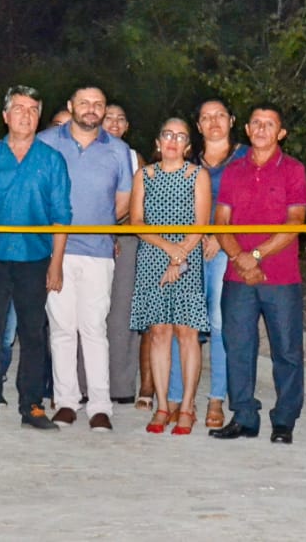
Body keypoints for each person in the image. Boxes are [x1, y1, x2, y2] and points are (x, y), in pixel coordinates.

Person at [0, 85, 71, 431]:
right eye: (19, 109)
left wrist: (56, 264)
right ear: (6, 116)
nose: (26, 115)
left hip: (35, 258)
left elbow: (61, 215)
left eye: (33, 109)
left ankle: (33, 405)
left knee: (34, 332)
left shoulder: (51, 160)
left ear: (40, 117)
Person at [209, 104, 306, 445]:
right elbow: (220, 222)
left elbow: (296, 223)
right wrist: (239, 257)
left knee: (287, 351)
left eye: (270, 124)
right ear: (248, 130)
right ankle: (244, 416)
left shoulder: (294, 170)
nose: (262, 129)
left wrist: (256, 256)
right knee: (237, 346)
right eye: (256, 123)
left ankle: (284, 420)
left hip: (280, 277)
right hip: (237, 275)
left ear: (281, 132)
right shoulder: (233, 171)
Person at [38, 86, 132, 432]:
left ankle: (100, 405)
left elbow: (122, 203)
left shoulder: (118, 150)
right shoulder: (47, 142)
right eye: (84, 103)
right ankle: (65, 402)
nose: (91, 110)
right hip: (55, 252)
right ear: (70, 106)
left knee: (94, 328)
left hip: (98, 252)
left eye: (98, 104)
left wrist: (101, 227)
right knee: (62, 328)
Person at [130, 118, 210, 435]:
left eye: (180, 136)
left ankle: (187, 405)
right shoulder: (144, 175)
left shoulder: (197, 175)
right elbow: (136, 221)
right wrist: (168, 248)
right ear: (158, 141)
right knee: (159, 332)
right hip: (152, 257)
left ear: (188, 145)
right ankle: (162, 405)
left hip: (188, 258)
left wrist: (180, 255)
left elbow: (201, 223)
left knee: (187, 333)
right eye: (167, 134)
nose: (173, 141)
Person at [185, 98, 248, 429]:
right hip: (190, 250)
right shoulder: (188, 160)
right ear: (198, 125)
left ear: (232, 119)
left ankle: (216, 399)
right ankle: (182, 399)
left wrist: (219, 238)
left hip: (226, 250)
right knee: (187, 326)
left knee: (221, 324)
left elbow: (251, 206)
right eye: (206, 117)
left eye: (220, 115)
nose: (213, 122)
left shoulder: (246, 157)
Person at [102, 103, 147, 406]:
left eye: (121, 119)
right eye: (109, 118)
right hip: (89, 239)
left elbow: (143, 204)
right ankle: (84, 385)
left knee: (121, 315)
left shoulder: (134, 158)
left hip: (126, 239)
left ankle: (121, 386)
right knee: (91, 314)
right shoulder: (84, 153)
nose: (115, 123)